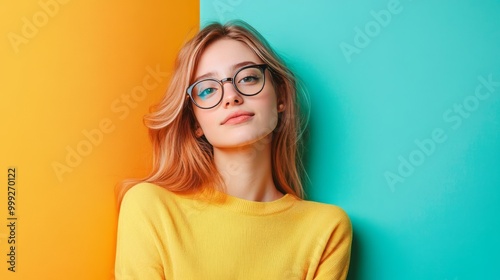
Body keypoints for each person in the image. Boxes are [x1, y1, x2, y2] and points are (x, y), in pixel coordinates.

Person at [114, 20, 352, 280]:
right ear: (195, 123)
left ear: (281, 97)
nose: (231, 96)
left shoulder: (325, 229)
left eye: (248, 77)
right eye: (207, 89)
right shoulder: (151, 207)